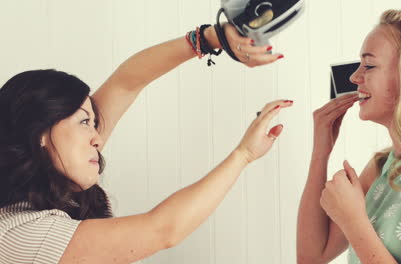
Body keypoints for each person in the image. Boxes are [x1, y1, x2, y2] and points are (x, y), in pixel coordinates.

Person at [0, 22, 291, 264]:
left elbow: (127, 82)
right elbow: (163, 230)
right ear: (39, 133)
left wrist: (210, 37)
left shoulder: (52, 192)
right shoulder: (20, 234)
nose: (98, 138)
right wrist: (244, 154)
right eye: (84, 121)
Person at [297, 9, 401, 264]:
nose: (355, 77)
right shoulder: (383, 167)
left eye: (369, 65)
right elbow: (311, 257)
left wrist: (353, 222)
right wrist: (321, 152)